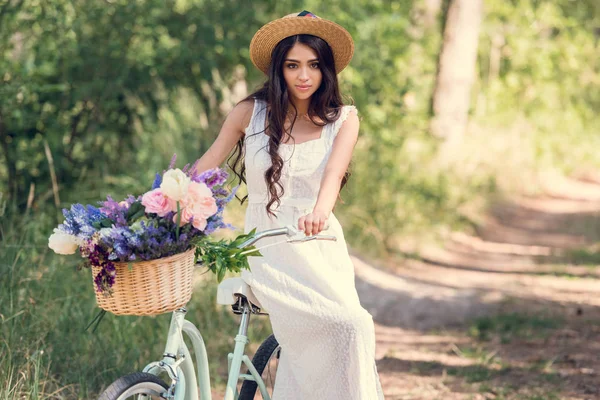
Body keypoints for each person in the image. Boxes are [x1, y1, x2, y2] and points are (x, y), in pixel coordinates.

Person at [194, 10, 385, 399]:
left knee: (352, 325)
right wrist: (167, 197)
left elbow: (332, 175)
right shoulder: (251, 113)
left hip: (318, 244)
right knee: (326, 332)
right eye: (293, 65)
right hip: (268, 245)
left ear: (326, 70)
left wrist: (320, 210)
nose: (303, 75)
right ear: (278, 69)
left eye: (314, 65)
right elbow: (206, 165)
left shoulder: (343, 119)